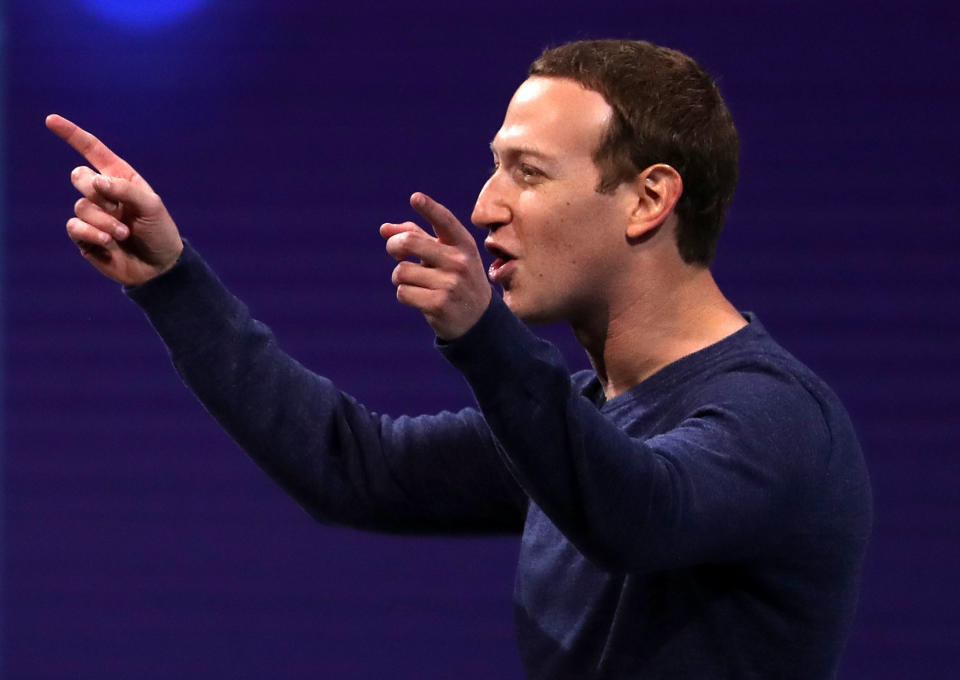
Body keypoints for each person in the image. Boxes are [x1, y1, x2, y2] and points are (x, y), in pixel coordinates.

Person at [48, 39, 872, 679]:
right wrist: (170, 279)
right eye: (493, 166)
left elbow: (636, 513)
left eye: (528, 172)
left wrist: (483, 338)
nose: (485, 205)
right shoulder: (581, 422)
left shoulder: (776, 417)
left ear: (649, 199)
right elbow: (352, 466)